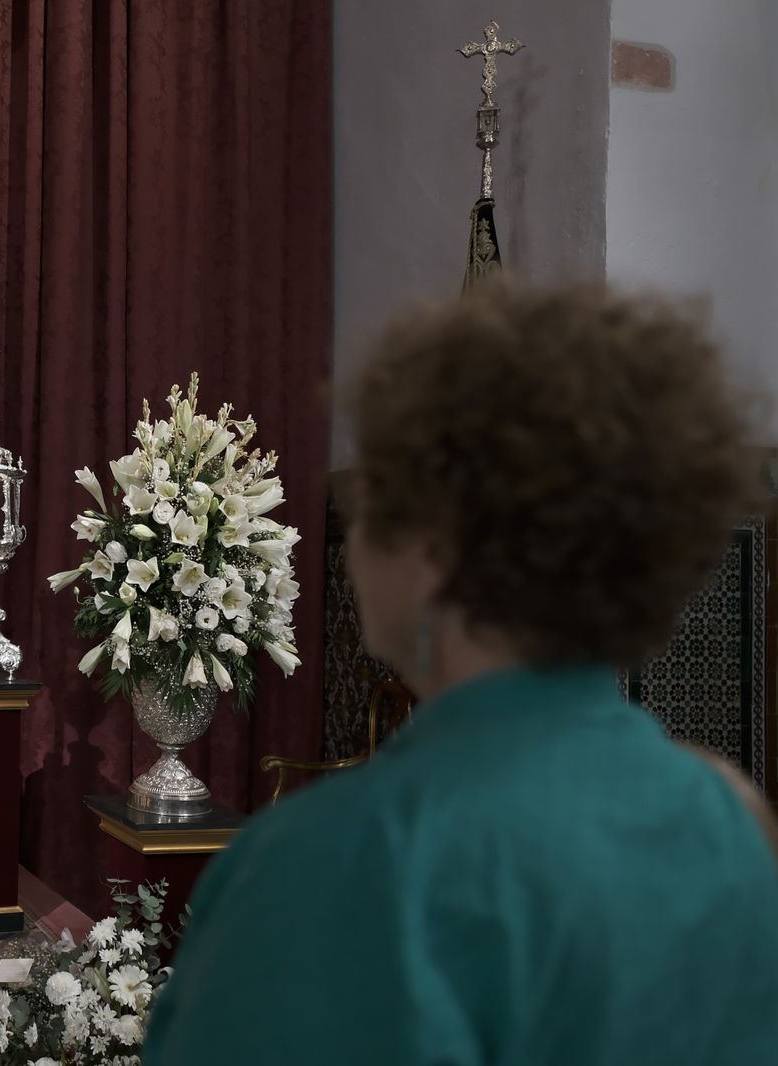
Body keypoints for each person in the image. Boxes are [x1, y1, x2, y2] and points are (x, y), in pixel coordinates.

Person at [144, 284, 778, 1064]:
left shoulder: (333, 861)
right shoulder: (728, 822)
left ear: (434, 552)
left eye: (370, 503)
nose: (349, 551)